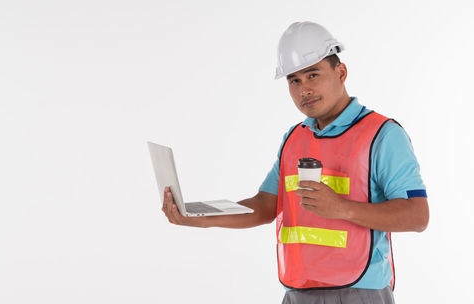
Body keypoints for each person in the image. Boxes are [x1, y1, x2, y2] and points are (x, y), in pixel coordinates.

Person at [161, 21, 429, 304]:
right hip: (297, 293)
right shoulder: (294, 139)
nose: (304, 90)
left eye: (313, 75)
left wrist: (342, 209)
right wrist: (201, 219)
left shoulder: (383, 135)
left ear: (341, 72)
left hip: (359, 292)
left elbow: (417, 216)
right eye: (294, 80)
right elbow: (265, 205)